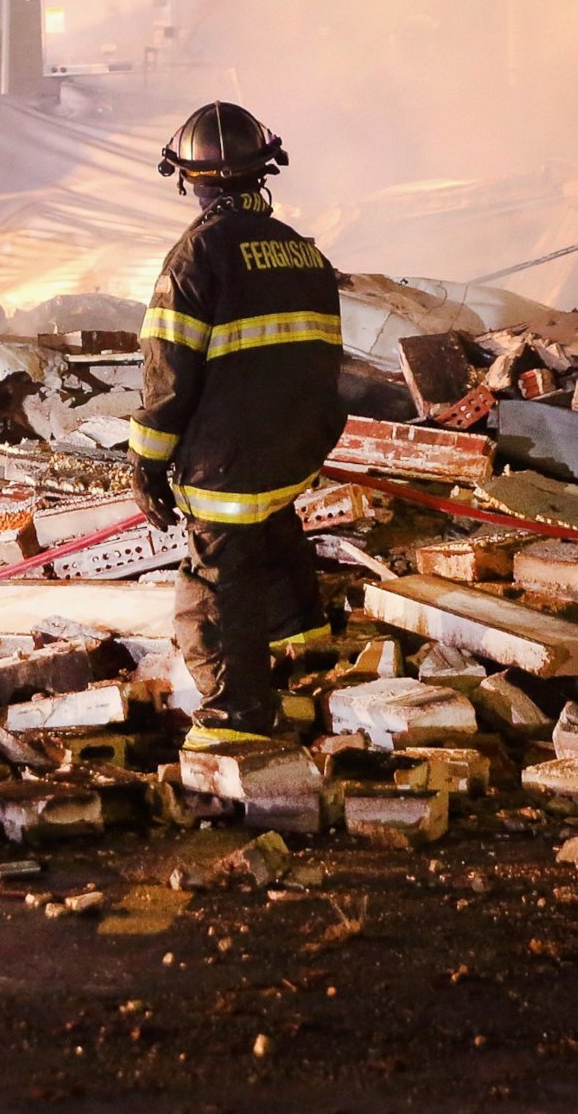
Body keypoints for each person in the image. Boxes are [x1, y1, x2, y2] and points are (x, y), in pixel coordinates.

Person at [131, 101, 347, 733]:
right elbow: (326, 365)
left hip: (228, 461)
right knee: (273, 539)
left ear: (188, 179)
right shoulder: (304, 255)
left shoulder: (197, 255)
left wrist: (146, 461)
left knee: (214, 590)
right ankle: (306, 661)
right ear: (263, 172)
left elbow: (167, 375)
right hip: (291, 451)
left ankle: (239, 716)